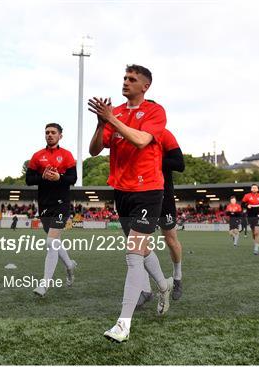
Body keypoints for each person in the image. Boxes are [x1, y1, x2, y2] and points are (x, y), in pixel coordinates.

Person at [88, 64, 172, 343]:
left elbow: (140, 140)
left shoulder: (154, 112)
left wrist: (111, 119)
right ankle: (163, 286)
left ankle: (123, 324)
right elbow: (95, 149)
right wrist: (102, 124)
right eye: (124, 77)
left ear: (145, 86)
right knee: (142, 250)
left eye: (132, 79)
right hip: (122, 192)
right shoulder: (117, 114)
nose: (125, 82)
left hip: (148, 189)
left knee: (133, 254)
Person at [26, 123, 77, 297]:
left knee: (50, 242)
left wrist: (58, 177)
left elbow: (73, 178)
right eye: (47, 132)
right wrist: (42, 176)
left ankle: (44, 284)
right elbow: (28, 179)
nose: (49, 135)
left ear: (60, 136)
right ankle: (69, 265)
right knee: (54, 242)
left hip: (61, 203)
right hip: (44, 204)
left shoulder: (67, 155)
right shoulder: (37, 156)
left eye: (53, 132)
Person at [137, 127, 185, 307]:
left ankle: (177, 277)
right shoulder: (133, 134)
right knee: (139, 243)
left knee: (171, 240)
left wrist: (154, 160)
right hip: (141, 194)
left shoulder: (164, 135)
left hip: (164, 194)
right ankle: (145, 289)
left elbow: (180, 164)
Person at [241, 184, 259, 255]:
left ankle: (256, 248)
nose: (254, 189)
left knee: (257, 232)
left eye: (255, 188)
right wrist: (247, 205)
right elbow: (242, 204)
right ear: (251, 189)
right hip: (250, 215)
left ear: (257, 189)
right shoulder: (247, 196)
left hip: (258, 215)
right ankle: (255, 242)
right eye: (253, 188)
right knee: (253, 232)